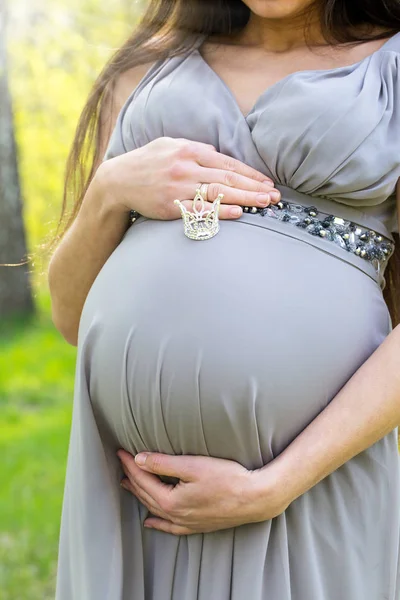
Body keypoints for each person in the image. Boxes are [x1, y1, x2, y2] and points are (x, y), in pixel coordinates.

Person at [48, 0, 400, 598]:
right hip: (140, 494)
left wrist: (276, 485)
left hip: (309, 486)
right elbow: (70, 317)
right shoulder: (149, 67)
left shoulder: (388, 71)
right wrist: (110, 191)